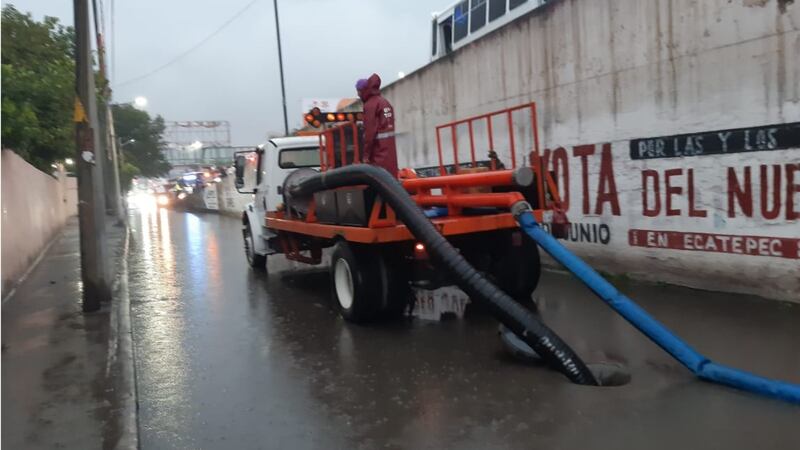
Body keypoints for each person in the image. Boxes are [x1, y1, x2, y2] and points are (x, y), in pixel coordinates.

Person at [356, 74, 398, 177]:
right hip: (390, 155)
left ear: (362, 90)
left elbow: (369, 133)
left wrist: (366, 156)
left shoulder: (370, 105)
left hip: (378, 155)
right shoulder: (384, 102)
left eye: (358, 92)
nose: (358, 95)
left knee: (379, 183)